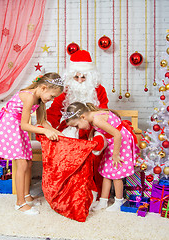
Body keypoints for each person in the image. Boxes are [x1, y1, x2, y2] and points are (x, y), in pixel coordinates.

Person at [0, 73, 64, 215]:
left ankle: (26, 196)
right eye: (52, 96)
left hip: (18, 128)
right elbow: (24, 125)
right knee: (22, 164)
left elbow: (42, 122)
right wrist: (45, 133)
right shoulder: (29, 96)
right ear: (43, 88)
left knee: (28, 163)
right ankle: (20, 203)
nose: (52, 99)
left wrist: (58, 133)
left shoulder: (40, 100)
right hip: (10, 127)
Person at [46, 50, 109, 201]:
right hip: (70, 131)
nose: (80, 80)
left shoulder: (99, 90)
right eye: (76, 76)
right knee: (64, 152)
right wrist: (48, 128)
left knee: (94, 154)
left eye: (84, 77)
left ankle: (91, 192)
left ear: (90, 76)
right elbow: (53, 112)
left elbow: (104, 113)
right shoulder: (65, 90)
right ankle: (67, 190)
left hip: (91, 131)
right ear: (70, 76)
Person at [65, 102, 140, 212]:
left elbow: (117, 134)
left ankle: (119, 201)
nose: (78, 129)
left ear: (82, 117)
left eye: (77, 125)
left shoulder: (97, 120)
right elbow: (99, 127)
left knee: (116, 173)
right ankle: (103, 200)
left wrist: (115, 155)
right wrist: (91, 133)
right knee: (106, 172)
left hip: (120, 143)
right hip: (113, 142)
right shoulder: (93, 117)